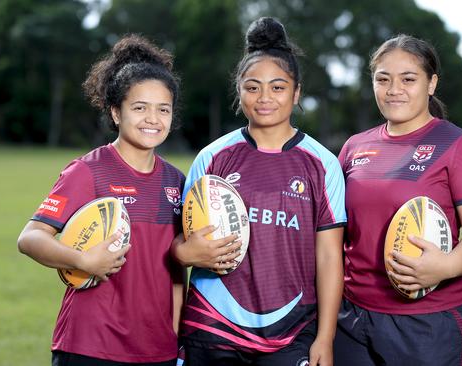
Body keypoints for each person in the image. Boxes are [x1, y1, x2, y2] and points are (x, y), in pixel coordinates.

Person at [174, 17, 346, 366]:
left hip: (292, 332)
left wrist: (325, 338)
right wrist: (185, 254)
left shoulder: (322, 164)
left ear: (296, 92)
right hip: (212, 326)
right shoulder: (212, 157)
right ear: (239, 90)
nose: (264, 97)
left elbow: (329, 258)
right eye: (252, 87)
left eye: (278, 87)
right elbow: (178, 243)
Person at [17, 35, 187, 365]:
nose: (152, 118)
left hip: (158, 350)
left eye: (162, 109)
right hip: (90, 345)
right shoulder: (88, 171)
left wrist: (178, 339)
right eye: (139, 108)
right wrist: (81, 261)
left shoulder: (176, 182)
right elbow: (30, 238)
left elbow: (176, 273)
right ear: (116, 112)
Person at [334, 34, 462, 365]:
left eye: (408, 79)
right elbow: (336, 232)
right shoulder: (354, 146)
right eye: (383, 79)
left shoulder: (458, 145)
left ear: (431, 83)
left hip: (429, 323)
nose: (394, 89)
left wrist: (445, 266)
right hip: (352, 319)